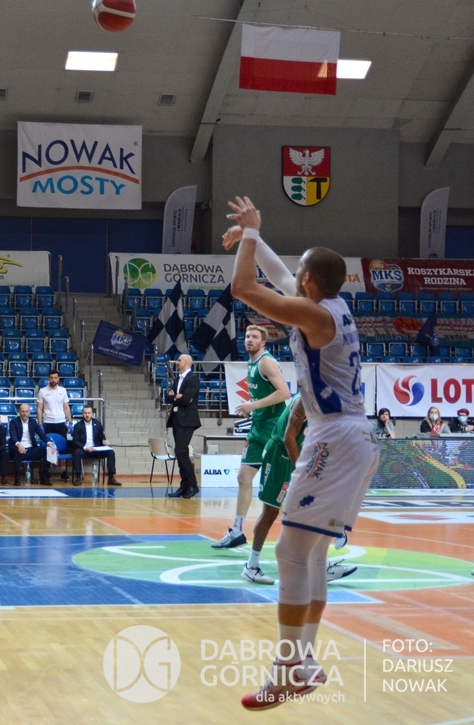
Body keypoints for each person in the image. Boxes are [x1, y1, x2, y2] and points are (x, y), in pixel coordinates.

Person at [226, 196, 379, 710]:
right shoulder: (333, 306)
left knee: (291, 553)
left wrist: (251, 234)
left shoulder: (314, 315)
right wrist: (254, 237)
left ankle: (287, 669)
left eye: (299, 272)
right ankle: (304, 663)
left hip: (335, 437)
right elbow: (277, 275)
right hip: (352, 437)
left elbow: (243, 288)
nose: (292, 276)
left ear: (308, 280)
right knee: (308, 554)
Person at [241, 394, 357, 586]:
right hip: (279, 454)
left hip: (301, 453)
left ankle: (323, 565)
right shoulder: (305, 400)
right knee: (270, 512)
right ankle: (251, 566)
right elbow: (289, 438)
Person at [213, 325, 290, 549]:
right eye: (247, 336)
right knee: (243, 477)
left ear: (263, 342)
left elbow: (284, 393)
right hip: (258, 427)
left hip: (274, 429)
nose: (249, 339)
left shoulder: (266, 362)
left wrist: (253, 405)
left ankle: (303, 533)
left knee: (281, 489)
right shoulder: (251, 362)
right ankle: (237, 530)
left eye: (254, 337)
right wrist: (252, 408)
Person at [165, 354, 201, 499]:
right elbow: (167, 397)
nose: (177, 362)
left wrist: (176, 396)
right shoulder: (178, 379)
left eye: (179, 360)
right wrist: (176, 396)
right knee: (180, 452)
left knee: (180, 451)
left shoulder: (193, 378)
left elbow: (186, 400)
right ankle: (184, 485)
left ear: (186, 362)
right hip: (176, 419)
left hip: (187, 419)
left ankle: (192, 485)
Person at [71, 405, 121, 486]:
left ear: (92, 414)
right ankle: (78, 477)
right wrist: (85, 447)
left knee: (111, 452)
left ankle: (111, 477)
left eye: (89, 413)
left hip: (96, 449)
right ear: (82, 414)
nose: (87, 415)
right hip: (84, 449)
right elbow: (75, 441)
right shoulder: (77, 426)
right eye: (85, 413)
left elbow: (102, 437)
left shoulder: (97, 424)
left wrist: (105, 441)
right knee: (76, 452)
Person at [37, 370, 73, 482]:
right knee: (49, 448)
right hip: (48, 423)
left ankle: (63, 472)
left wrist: (70, 422)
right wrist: (40, 424)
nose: (53, 380)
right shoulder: (42, 391)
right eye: (51, 378)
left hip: (61, 423)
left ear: (58, 379)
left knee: (63, 448)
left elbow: (66, 408)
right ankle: (46, 473)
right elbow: (39, 409)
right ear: (49, 378)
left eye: (55, 378)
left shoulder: (63, 391)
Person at [9, 403, 53, 486]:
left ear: (29, 412)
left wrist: (49, 443)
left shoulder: (33, 422)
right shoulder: (13, 422)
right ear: (19, 412)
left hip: (31, 449)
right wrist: (18, 444)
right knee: (16, 451)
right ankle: (17, 479)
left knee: (48, 450)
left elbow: (41, 434)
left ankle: (44, 477)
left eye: (26, 411)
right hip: (18, 449)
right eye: (22, 411)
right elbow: (13, 436)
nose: (24, 414)